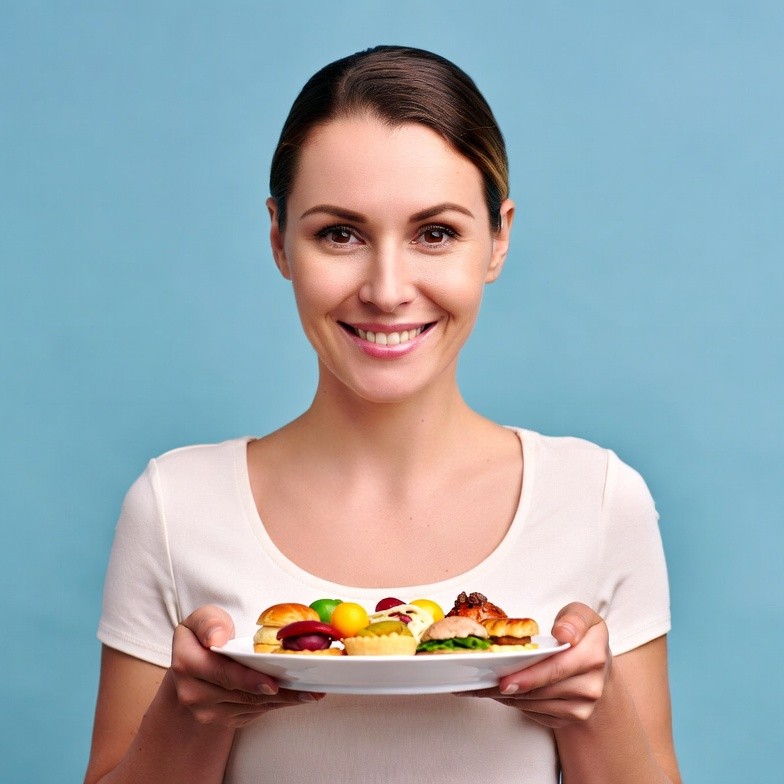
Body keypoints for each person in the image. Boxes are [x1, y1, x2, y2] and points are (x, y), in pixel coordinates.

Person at [84, 45, 681, 784]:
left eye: (436, 233)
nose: (388, 289)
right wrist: (188, 711)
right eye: (340, 233)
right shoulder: (175, 506)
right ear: (279, 239)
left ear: (498, 239)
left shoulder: (597, 500)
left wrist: (595, 709)